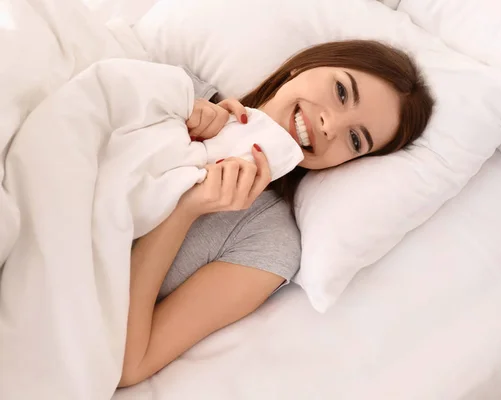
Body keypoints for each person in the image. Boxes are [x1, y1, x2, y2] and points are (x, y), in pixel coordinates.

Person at [119, 40, 435, 387]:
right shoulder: (181, 94)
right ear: (305, 66)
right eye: (342, 92)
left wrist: (186, 210)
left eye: (356, 140)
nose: (331, 125)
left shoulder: (268, 241)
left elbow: (130, 364)